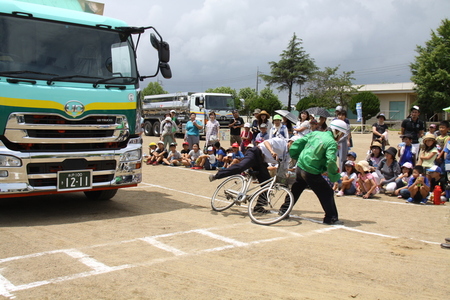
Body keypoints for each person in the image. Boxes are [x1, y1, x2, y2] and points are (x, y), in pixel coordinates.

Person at [288, 119, 348, 225]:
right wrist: (334, 176)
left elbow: (298, 142)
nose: (340, 137)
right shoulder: (331, 143)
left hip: (300, 166)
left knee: (296, 189)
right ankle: (331, 218)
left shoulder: (315, 133)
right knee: (327, 193)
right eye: (341, 134)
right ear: (337, 132)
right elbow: (330, 161)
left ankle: (284, 210)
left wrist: (296, 155)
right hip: (311, 171)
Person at [209, 138, 292, 196]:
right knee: (241, 167)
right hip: (255, 152)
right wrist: (272, 151)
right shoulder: (281, 142)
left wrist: (285, 179)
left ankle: (259, 207)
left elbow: (284, 168)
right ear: (290, 141)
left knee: (267, 185)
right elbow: (267, 142)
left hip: (262, 162)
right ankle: (217, 175)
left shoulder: (288, 155)